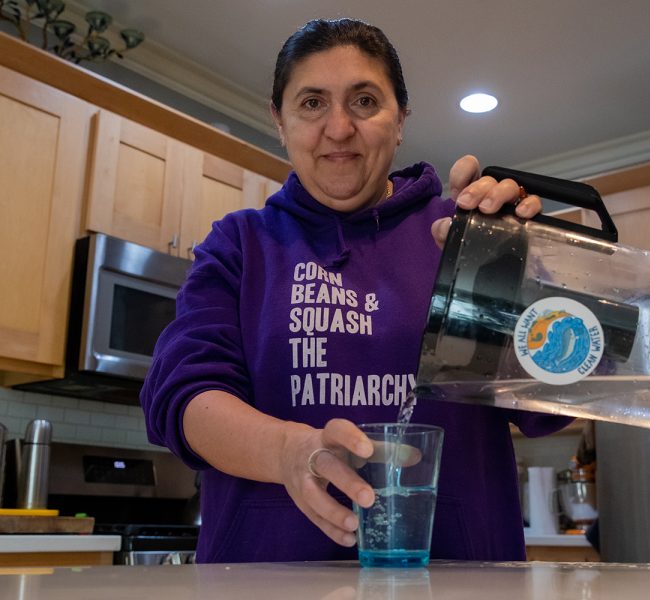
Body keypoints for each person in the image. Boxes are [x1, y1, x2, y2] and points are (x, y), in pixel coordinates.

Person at [141, 17, 572, 563]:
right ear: (279, 120)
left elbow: (552, 409)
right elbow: (183, 401)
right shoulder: (241, 244)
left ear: (401, 120)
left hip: (458, 575)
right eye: (312, 103)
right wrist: (289, 451)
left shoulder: (462, 235)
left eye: (365, 101)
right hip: (260, 578)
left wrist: (519, 274)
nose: (339, 128)